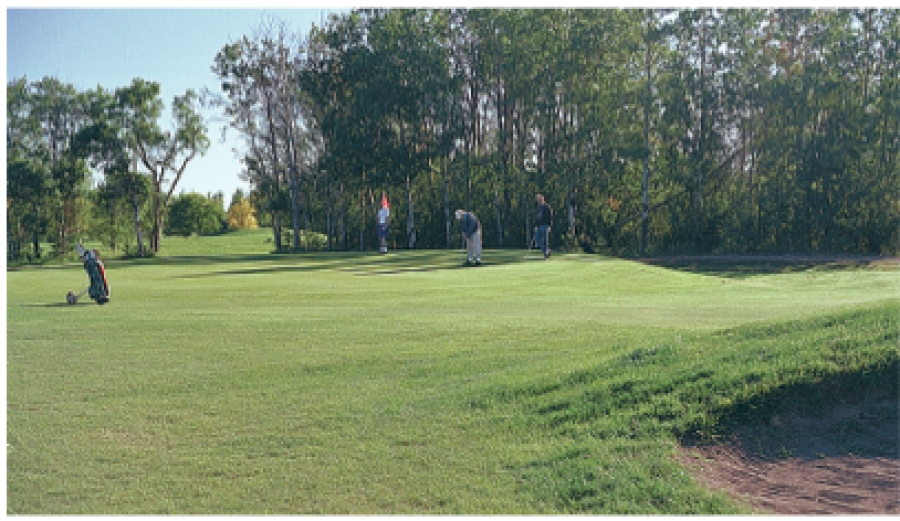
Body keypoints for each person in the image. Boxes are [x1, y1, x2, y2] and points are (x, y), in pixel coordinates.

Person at [535, 193, 553, 259]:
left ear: (542, 199)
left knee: (545, 241)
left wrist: (549, 226)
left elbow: (550, 217)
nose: (537, 201)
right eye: (537, 199)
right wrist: (536, 226)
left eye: (538, 199)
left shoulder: (546, 207)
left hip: (545, 225)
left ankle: (546, 254)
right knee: (537, 239)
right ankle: (546, 251)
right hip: (539, 226)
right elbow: (537, 217)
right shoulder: (539, 207)